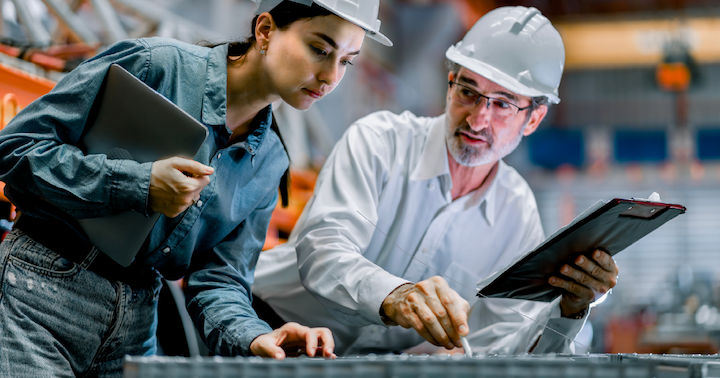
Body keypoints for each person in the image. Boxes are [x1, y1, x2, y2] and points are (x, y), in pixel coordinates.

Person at [0, 0, 392, 376]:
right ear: (266, 30)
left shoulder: (269, 161)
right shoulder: (156, 66)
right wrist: (138, 184)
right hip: (40, 296)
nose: (331, 77)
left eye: (346, 62)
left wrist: (258, 336)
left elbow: (219, 281)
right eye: (320, 49)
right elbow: (16, 148)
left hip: (135, 326)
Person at [252, 6, 619, 355]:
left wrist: (570, 309)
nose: (477, 120)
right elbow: (323, 250)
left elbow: (501, 345)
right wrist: (397, 295)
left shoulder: (516, 213)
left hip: (353, 361)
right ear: (449, 85)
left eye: (503, 104)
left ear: (534, 119)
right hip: (260, 323)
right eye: (468, 92)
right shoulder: (379, 142)